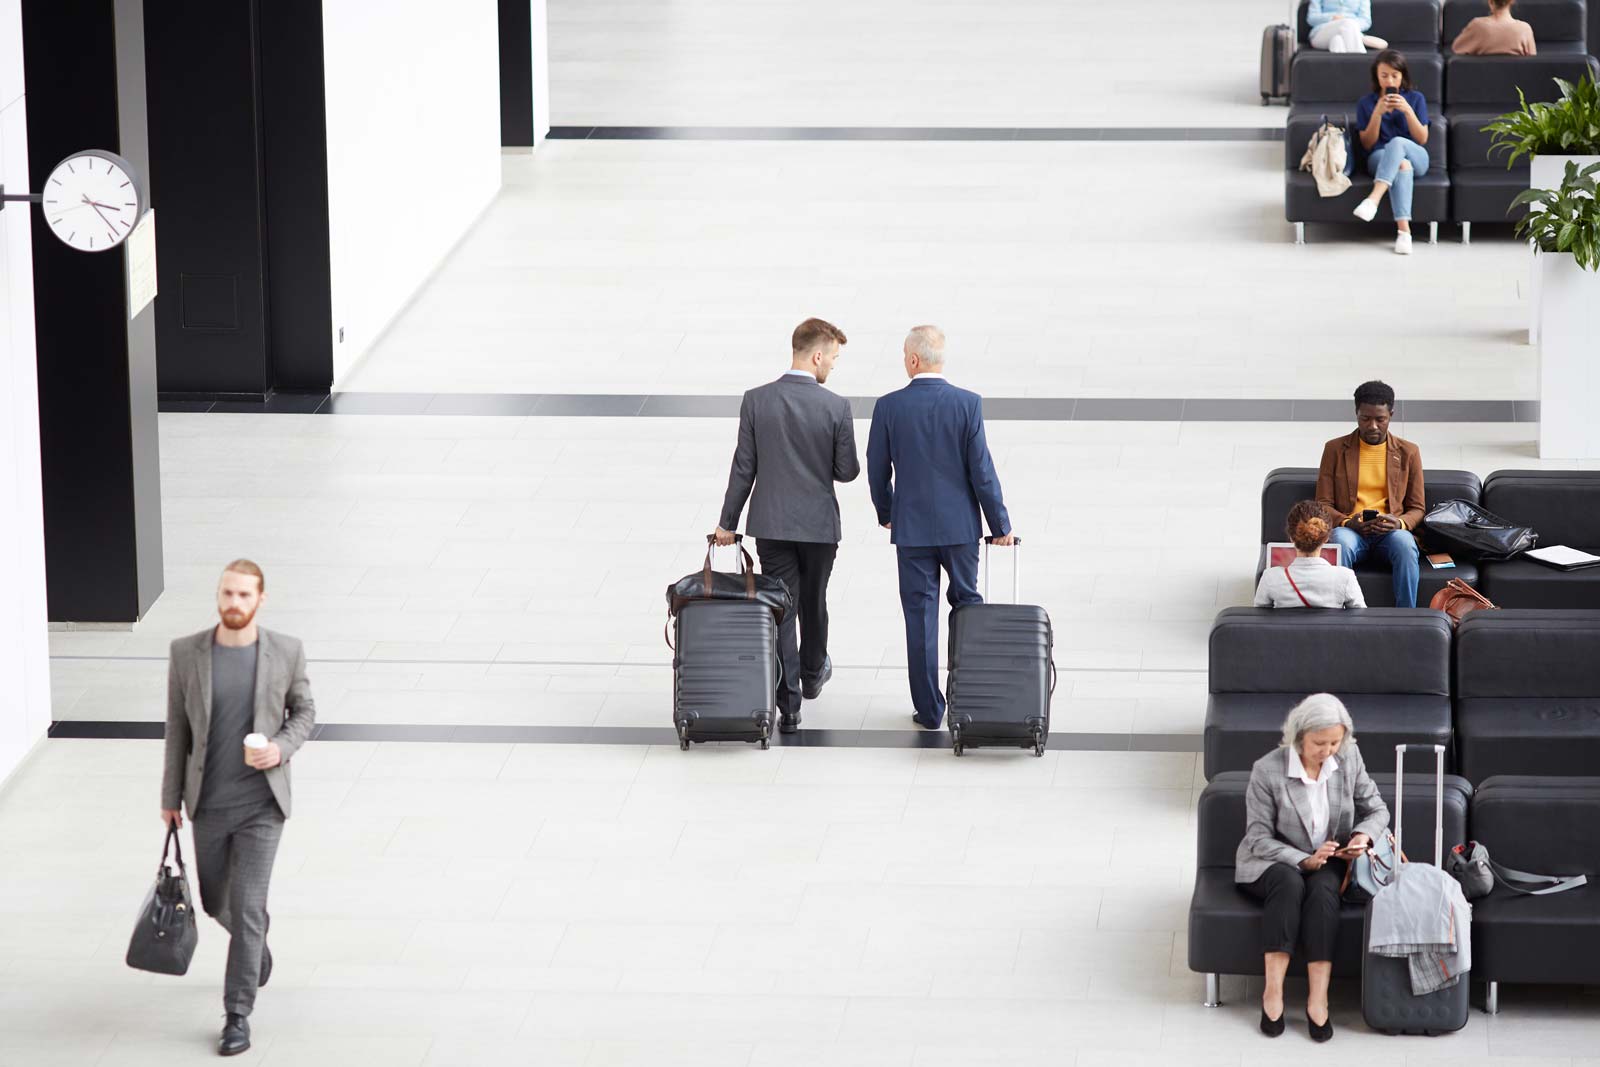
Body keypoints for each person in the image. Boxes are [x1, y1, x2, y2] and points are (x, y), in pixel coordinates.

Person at [161, 560, 316, 1057]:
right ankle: (256, 947)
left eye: (244, 596)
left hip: (262, 805)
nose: (234, 603)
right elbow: (176, 730)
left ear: (260, 599)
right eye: (228, 593)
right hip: (208, 803)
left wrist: (281, 748)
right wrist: (169, 798)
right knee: (214, 902)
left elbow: (305, 712)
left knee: (248, 907)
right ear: (218, 595)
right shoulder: (187, 653)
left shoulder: (286, 652)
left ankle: (237, 1014)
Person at [714, 317, 860, 732]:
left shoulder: (756, 400)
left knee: (781, 610)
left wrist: (728, 523)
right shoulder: (836, 406)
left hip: (772, 526)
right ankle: (813, 674)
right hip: (818, 528)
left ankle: (789, 706)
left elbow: (744, 466)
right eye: (832, 358)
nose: (832, 366)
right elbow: (847, 471)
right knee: (814, 602)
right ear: (816, 355)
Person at [866, 326, 1014, 730]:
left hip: (912, 531)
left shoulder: (889, 407)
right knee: (967, 608)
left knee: (920, 616)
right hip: (961, 529)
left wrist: (886, 512)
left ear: (914, 360)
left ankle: (930, 710)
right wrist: (999, 524)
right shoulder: (967, 404)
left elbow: (877, 470)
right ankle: (970, 698)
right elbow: (981, 471)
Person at [1237, 694, 1389, 1043]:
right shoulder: (1267, 769)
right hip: (1273, 860)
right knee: (1290, 884)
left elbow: (1378, 809)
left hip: (1331, 858)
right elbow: (1257, 837)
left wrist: (1362, 837)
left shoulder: (1348, 758)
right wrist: (1302, 859)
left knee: (1322, 894)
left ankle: (1318, 999)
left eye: (1335, 742)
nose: (1328, 751)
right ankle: (1272, 993)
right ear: (1298, 736)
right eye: (1319, 743)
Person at [1315, 380, 1424, 607]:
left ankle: (1406, 617)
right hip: (1352, 531)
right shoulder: (1335, 449)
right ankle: (1335, 613)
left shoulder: (1408, 452)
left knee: (1405, 545)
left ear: (1391, 415)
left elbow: (1417, 508)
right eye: (1365, 418)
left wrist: (1399, 524)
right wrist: (1347, 522)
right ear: (1356, 414)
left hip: (1390, 533)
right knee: (1340, 542)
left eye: (1380, 419)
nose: (1372, 425)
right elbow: (1323, 503)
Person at [1350, 50, 1432, 255]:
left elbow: (1422, 139)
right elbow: (1367, 144)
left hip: (1417, 155)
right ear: (1376, 77)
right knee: (1402, 165)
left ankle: (1374, 199)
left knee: (1398, 143)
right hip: (1379, 156)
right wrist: (1377, 113)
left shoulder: (1416, 99)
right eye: (1384, 75)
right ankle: (1404, 233)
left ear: (1402, 76)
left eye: (1394, 75)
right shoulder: (1366, 103)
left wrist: (1408, 111)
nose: (1389, 80)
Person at [1254, 500, 1367, 608]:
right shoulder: (1345, 578)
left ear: (1291, 538)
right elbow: (1359, 620)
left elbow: (1260, 619)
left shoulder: (1271, 577)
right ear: (1326, 538)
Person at [1451, 0, 1536, 55]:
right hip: (1514, 82)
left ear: (1490, 1)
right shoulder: (1524, 29)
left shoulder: (1477, 25)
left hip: (1481, 80)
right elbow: (1532, 60)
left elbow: (1456, 48)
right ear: (1512, 1)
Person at [1305, 0, 1385, 53]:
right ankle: (1361, 64)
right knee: (1347, 23)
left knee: (1337, 41)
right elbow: (1312, 18)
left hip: (1349, 30)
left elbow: (1366, 21)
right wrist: (1332, 17)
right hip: (1320, 33)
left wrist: (1351, 25)